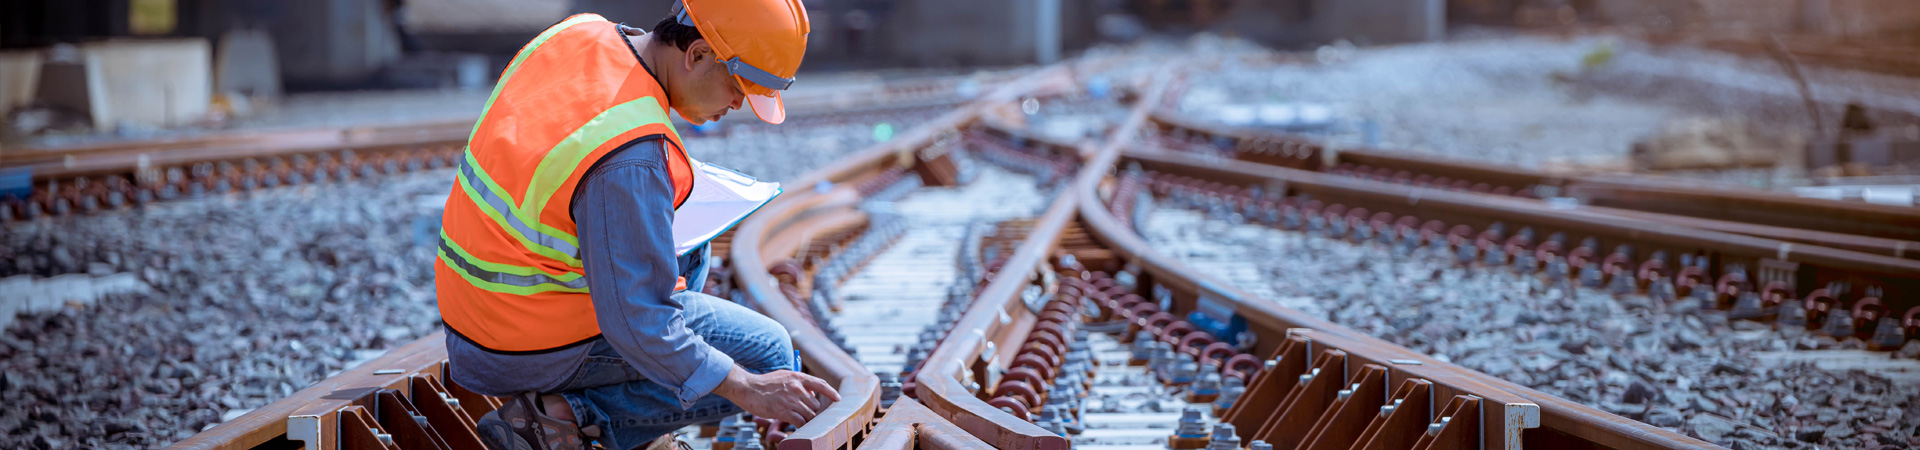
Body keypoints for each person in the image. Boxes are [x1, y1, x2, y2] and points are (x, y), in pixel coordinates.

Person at [431, 1, 837, 449]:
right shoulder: (631, 156)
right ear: (698, 54)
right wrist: (744, 385)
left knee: (689, 252)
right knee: (766, 355)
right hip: (515, 342)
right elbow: (639, 321)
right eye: (738, 85)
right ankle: (557, 420)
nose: (739, 103)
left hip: (477, 311)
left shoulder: (580, 33)